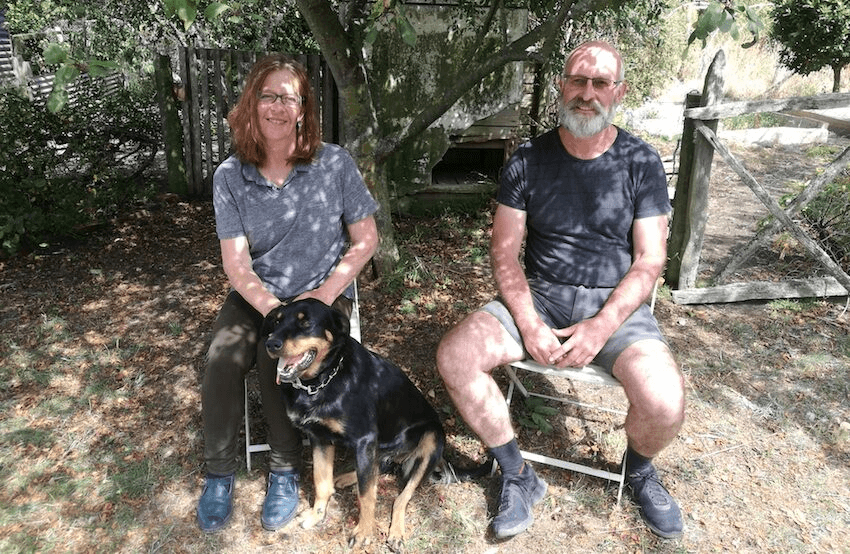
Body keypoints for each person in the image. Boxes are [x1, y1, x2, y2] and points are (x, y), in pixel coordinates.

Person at [436, 40, 685, 540]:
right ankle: (517, 474)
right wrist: (528, 323)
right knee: (456, 357)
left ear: (619, 92)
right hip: (542, 296)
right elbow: (505, 253)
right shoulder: (528, 159)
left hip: (614, 303)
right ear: (561, 86)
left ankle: (638, 471)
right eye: (578, 80)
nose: (587, 94)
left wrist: (602, 325)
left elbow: (650, 259)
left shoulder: (641, 161)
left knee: (664, 402)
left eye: (600, 83)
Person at [197, 54, 379, 533]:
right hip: (259, 294)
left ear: (303, 110)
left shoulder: (334, 163)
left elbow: (366, 240)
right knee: (222, 358)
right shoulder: (230, 176)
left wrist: (324, 295)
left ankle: (284, 468)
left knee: (277, 354)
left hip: (321, 295)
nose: (278, 107)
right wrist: (273, 311)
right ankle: (219, 472)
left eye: (289, 98)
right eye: (268, 96)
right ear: (251, 103)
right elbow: (236, 264)